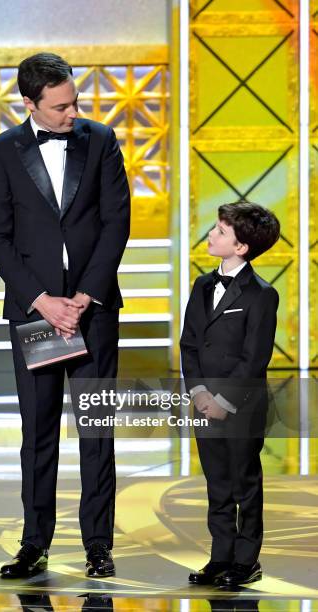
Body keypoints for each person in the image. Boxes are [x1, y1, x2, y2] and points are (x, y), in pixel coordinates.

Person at [0, 52, 130, 578]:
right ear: (30, 103)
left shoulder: (101, 140)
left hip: (91, 311)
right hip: (39, 312)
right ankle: (34, 545)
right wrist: (42, 300)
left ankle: (98, 546)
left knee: (96, 429)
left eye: (75, 102)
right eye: (61, 106)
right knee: (38, 430)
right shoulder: (2, 151)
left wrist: (84, 297)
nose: (73, 112)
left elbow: (116, 223)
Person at [180, 201, 280, 587]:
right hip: (204, 403)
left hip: (241, 406)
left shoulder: (261, 294)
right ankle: (219, 556)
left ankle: (246, 561)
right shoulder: (203, 284)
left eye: (220, 232)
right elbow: (189, 343)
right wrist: (201, 393)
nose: (211, 234)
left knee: (244, 483)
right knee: (217, 482)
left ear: (241, 248)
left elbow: (255, 358)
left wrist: (223, 402)